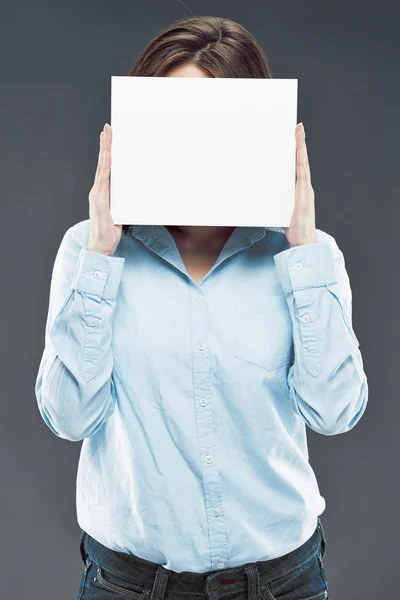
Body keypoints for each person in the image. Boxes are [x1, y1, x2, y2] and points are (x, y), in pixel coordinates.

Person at [34, 15, 368, 600]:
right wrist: (101, 257)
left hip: (282, 582)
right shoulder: (87, 252)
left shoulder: (308, 258)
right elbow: (67, 418)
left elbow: (335, 412)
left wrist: (304, 254)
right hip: (128, 585)